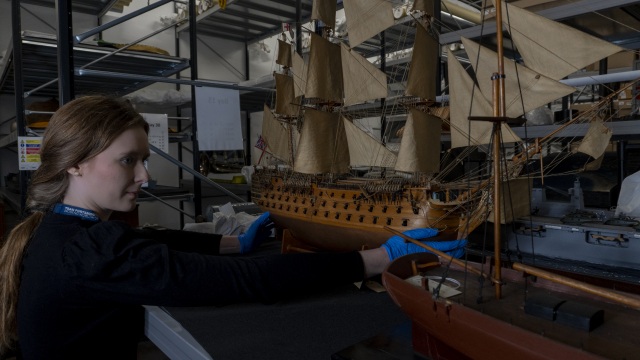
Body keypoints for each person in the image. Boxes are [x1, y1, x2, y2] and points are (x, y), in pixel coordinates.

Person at [0, 96, 466, 359]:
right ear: (77, 165)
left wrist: (230, 242)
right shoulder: (86, 253)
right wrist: (380, 256)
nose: (144, 177)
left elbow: (149, 239)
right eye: (128, 161)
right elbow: (246, 283)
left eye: (143, 160)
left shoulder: (61, 231)